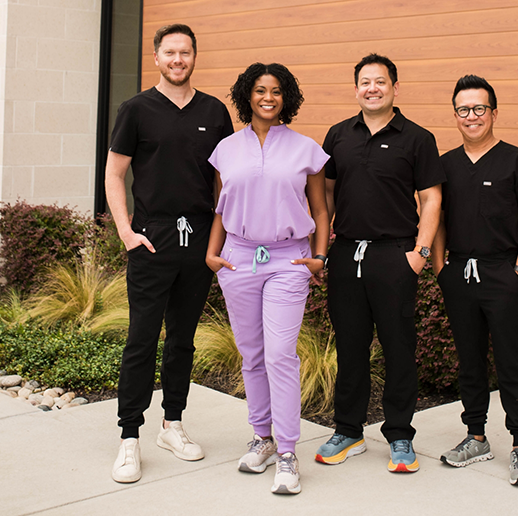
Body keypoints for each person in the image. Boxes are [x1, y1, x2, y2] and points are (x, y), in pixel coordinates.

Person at [105, 24, 234, 483]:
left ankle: (172, 425)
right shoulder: (136, 109)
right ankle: (129, 437)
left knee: (182, 339)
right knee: (141, 338)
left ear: (195, 56)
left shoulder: (215, 111)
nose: (178, 59)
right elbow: (114, 173)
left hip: (198, 240)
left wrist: (221, 239)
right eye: (170, 52)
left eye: (185, 52)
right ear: (157, 57)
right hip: (151, 236)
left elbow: (224, 181)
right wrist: (126, 231)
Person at [314, 54, 445, 472]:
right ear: (356, 89)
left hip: (396, 255)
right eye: (365, 82)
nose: (372, 88)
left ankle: (401, 436)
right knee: (350, 346)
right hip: (347, 252)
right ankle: (349, 431)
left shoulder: (418, 138)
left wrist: (420, 254)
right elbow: (325, 197)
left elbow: (431, 198)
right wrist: (323, 245)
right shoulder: (337, 135)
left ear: (395, 87)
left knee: (398, 347)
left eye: (380, 82)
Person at [206, 62, 329, 495]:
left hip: (287, 262)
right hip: (238, 259)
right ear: (247, 96)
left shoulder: (305, 148)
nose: (268, 98)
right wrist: (212, 253)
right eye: (260, 90)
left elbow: (320, 211)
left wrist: (319, 257)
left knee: (280, 354)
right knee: (252, 355)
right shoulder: (225, 149)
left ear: (286, 97)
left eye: (276, 91)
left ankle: (289, 451)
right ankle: (262, 438)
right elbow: (222, 206)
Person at [432, 75, 518, 486]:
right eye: (463, 109)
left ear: (494, 112)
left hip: (503, 273)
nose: (472, 116)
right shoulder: (445, 164)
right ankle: (476, 436)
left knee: (511, 363)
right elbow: (439, 219)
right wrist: (439, 268)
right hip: (459, 275)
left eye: (479, 108)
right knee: (469, 361)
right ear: (455, 116)